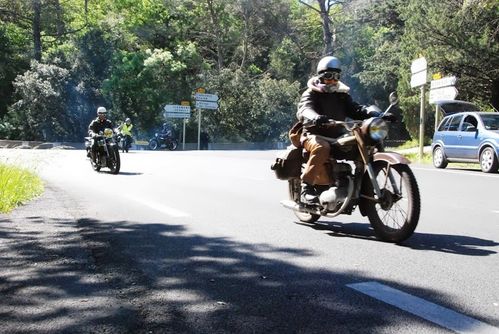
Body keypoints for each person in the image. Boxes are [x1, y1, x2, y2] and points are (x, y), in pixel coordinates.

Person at [296, 56, 395, 205]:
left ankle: (354, 185)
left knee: (362, 145)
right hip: (313, 134)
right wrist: (315, 117)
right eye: (329, 76)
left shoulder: (341, 95)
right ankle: (307, 188)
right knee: (322, 147)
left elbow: (357, 110)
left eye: (336, 76)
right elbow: (305, 109)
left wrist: (378, 115)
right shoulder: (311, 93)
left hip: (336, 135)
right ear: (321, 76)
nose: (333, 80)